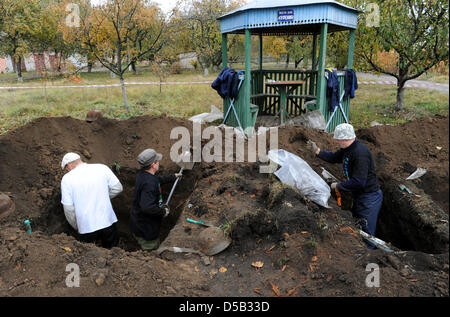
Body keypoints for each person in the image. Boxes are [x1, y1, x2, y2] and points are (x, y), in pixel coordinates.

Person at [308, 123, 383, 249]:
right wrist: (317, 151)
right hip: (359, 196)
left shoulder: (360, 154)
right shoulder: (346, 150)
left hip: (369, 198)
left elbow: (359, 181)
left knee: (367, 231)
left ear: (346, 139)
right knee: (359, 226)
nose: (336, 142)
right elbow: (333, 157)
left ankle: (369, 256)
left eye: (338, 139)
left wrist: (338, 185)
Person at [60, 152, 123, 248]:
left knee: (89, 257)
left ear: (69, 165)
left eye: (66, 169)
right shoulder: (102, 168)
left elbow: (68, 208)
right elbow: (118, 188)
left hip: (86, 226)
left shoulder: (67, 179)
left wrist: (76, 225)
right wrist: (104, 197)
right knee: (113, 252)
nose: (67, 171)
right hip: (107, 221)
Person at [130, 149, 182, 251]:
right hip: (145, 227)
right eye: (157, 161)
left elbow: (157, 180)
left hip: (137, 221)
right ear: (153, 164)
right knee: (152, 248)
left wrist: (172, 177)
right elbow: (147, 207)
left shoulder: (144, 174)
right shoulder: (149, 184)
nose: (159, 162)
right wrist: (162, 212)